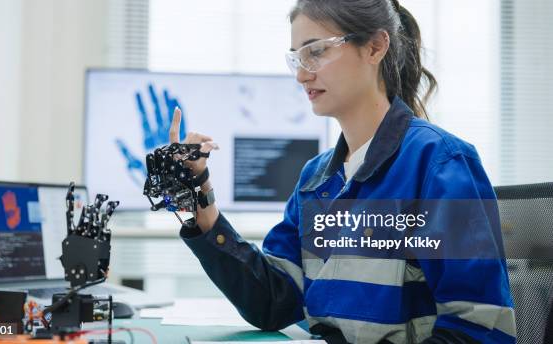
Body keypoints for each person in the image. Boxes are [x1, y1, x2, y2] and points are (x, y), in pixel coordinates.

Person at [168, 0, 516, 343]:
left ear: (376, 47)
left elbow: (480, 331)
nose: (303, 74)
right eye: (297, 59)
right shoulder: (316, 179)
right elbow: (273, 301)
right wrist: (202, 204)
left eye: (316, 52)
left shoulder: (438, 164)